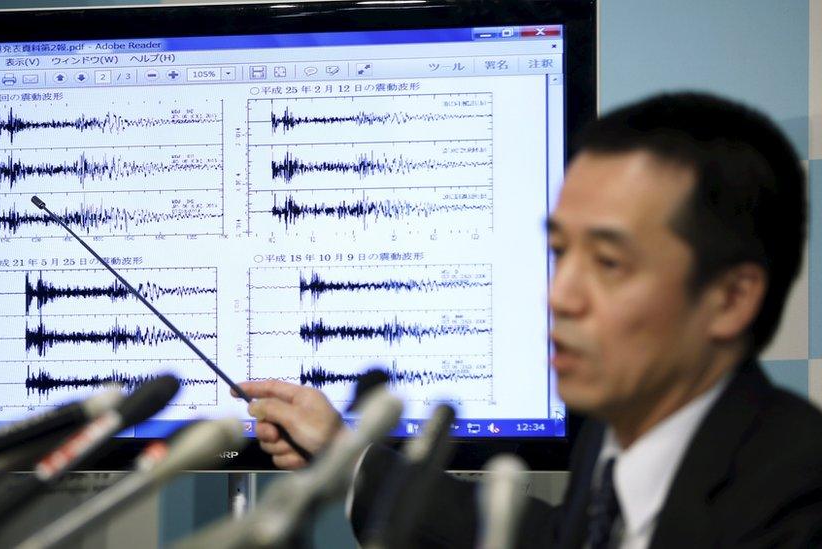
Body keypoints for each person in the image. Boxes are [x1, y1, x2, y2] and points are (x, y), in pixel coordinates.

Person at [237, 92, 822, 547]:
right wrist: (348, 455)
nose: (559, 295)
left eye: (609, 261)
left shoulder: (797, 494)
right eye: (560, 253)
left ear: (731, 298)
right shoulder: (618, 442)